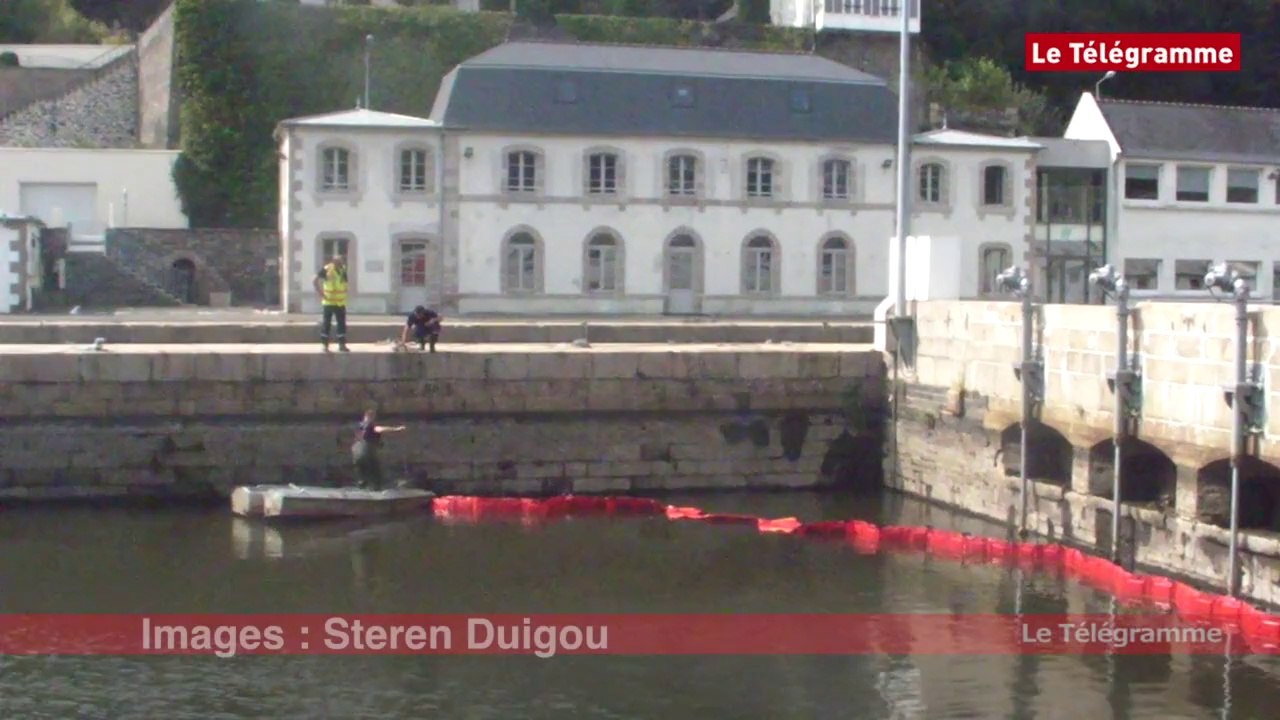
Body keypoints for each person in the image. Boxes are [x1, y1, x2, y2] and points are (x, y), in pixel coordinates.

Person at [350, 409, 405, 491]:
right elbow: (380, 429)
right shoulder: (371, 426)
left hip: (356, 450)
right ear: (371, 417)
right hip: (366, 450)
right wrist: (396, 429)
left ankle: (362, 484)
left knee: (361, 470)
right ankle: (376, 487)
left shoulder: (358, 426)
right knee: (375, 469)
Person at [313, 254, 349, 352]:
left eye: (342, 261)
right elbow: (315, 280)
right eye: (339, 261)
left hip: (340, 302)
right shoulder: (327, 269)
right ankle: (324, 345)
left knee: (341, 324)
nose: (341, 263)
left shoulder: (343, 270)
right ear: (334, 262)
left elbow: (344, 283)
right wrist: (321, 293)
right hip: (329, 301)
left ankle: (342, 345)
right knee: (326, 323)